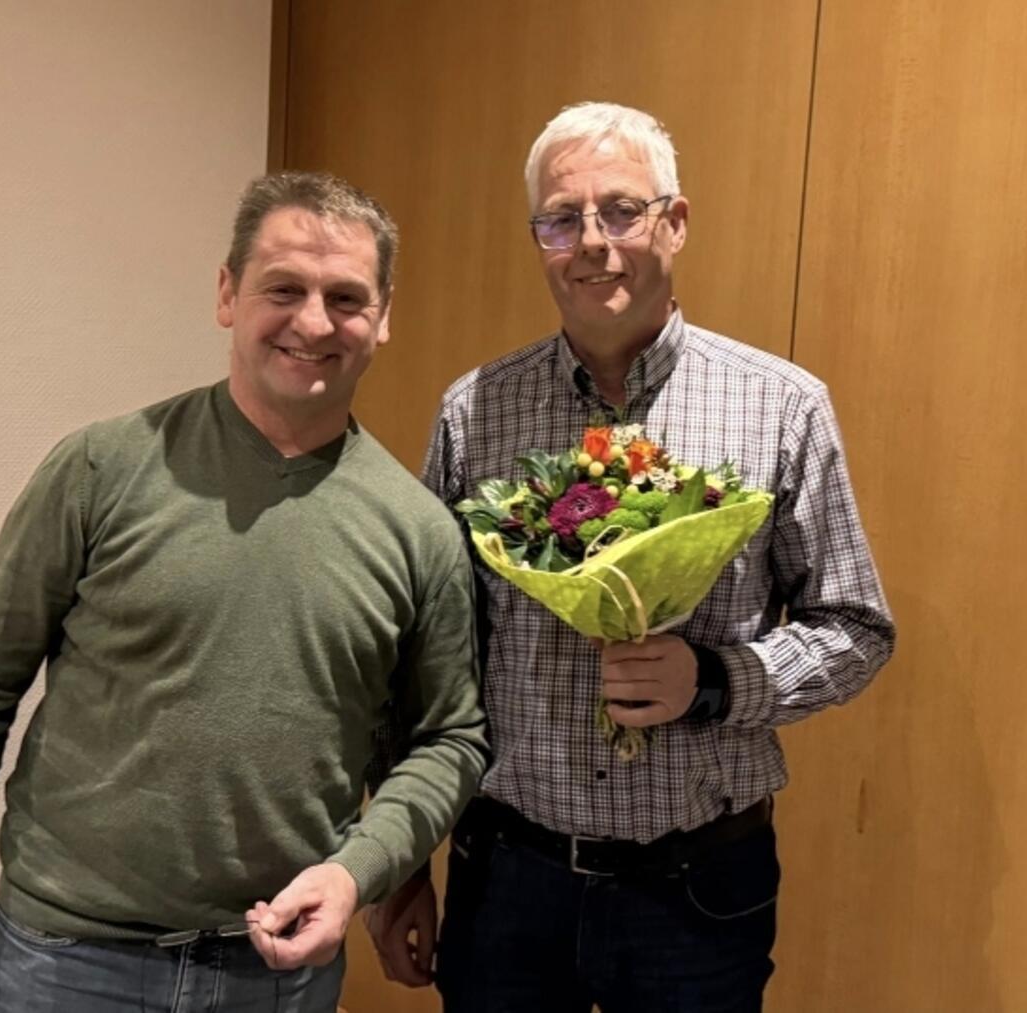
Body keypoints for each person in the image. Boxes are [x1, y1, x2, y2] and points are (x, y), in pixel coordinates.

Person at [0, 171, 489, 1013]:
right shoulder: (100, 468)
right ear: (227, 293)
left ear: (383, 318)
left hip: (279, 978)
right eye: (283, 289)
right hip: (64, 963)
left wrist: (362, 870)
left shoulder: (419, 529)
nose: (312, 321)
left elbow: (448, 739)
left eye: (345, 297)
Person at [366, 101, 896, 1011]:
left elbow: (854, 627)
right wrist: (399, 864)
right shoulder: (474, 412)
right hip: (507, 877)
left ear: (675, 222)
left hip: (699, 886)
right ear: (538, 237)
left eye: (621, 210)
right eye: (562, 219)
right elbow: (430, 654)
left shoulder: (781, 406)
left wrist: (716, 680)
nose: (592, 243)